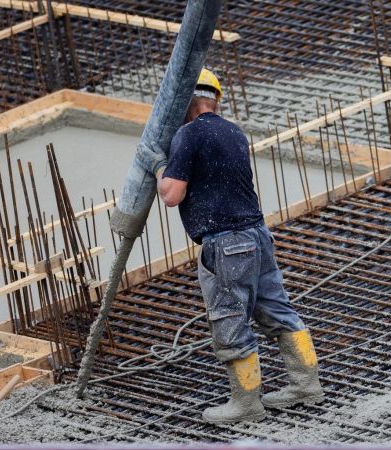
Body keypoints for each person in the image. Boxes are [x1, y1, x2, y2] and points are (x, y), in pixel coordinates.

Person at [150, 68, 323, 424]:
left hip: (225, 243)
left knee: (229, 319)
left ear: (185, 102)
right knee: (277, 310)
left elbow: (171, 194)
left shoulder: (189, 134)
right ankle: (306, 386)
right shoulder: (234, 131)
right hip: (258, 236)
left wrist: (158, 166)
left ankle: (246, 405)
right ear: (216, 99)